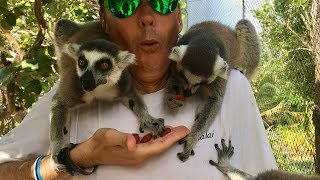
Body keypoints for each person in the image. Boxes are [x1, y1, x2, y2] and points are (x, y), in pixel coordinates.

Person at [0, 0, 278, 179]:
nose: (146, 17)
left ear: (179, 20)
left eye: (162, 2)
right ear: (105, 21)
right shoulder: (77, 91)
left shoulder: (231, 85)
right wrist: (76, 158)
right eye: (125, 4)